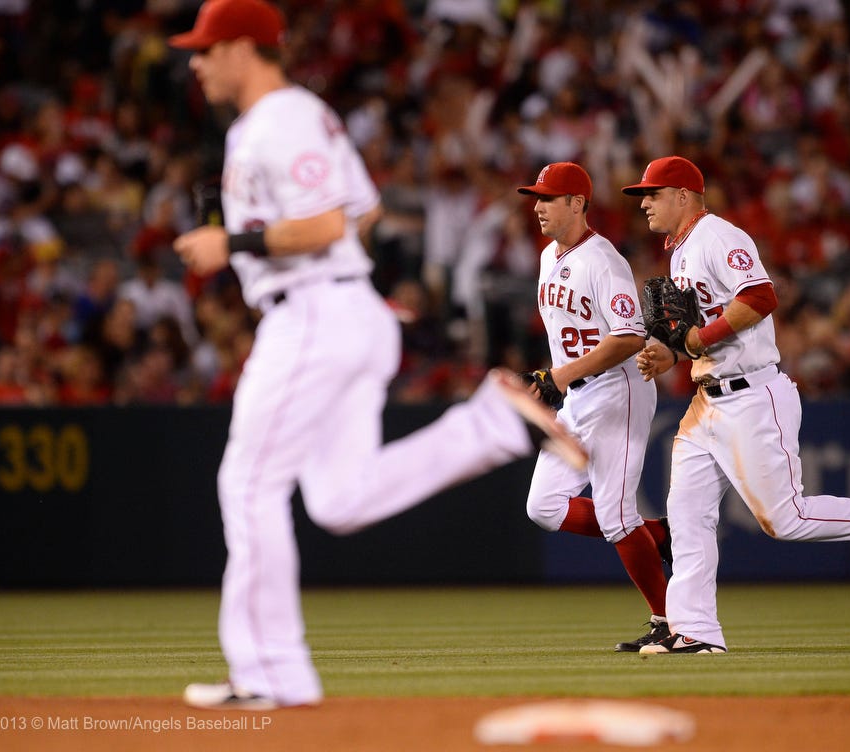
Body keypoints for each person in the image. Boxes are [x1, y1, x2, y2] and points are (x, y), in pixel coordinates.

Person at [167, 0, 587, 710]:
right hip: (337, 309)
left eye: (206, 49)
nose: (197, 62)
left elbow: (330, 224)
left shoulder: (280, 117)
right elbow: (363, 212)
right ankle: (493, 425)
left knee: (248, 484)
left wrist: (234, 243)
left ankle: (270, 674)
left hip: (312, 312)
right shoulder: (295, 119)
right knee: (338, 499)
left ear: (241, 47)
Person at [623, 156, 850, 655]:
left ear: (683, 195)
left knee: (786, 519)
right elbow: (702, 333)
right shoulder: (681, 251)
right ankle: (696, 631)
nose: (644, 203)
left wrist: (698, 339)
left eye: (652, 193)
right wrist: (675, 352)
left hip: (752, 396)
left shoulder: (717, 236)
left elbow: (761, 297)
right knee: (686, 516)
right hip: (707, 401)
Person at [516, 162, 671, 653]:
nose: (538, 207)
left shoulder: (603, 260)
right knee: (543, 506)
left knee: (616, 515)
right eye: (536, 198)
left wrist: (559, 376)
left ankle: (670, 620)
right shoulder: (548, 256)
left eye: (548, 198)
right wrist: (556, 377)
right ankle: (658, 534)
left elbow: (628, 337)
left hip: (618, 390)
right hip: (578, 395)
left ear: (577, 203)